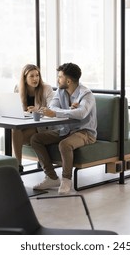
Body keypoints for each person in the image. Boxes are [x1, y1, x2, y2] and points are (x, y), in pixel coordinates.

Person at [30, 62, 97, 194]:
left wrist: (58, 113)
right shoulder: (60, 91)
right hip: (66, 130)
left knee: (64, 144)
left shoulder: (86, 94)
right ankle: (51, 177)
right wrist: (67, 110)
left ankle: (66, 179)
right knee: (36, 139)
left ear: (68, 80)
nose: (57, 79)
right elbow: (52, 107)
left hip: (85, 132)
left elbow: (81, 113)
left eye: (59, 77)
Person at [12, 64, 54, 173]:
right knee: (15, 130)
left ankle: (16, 166)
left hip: (43, 126)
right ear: (25, 78)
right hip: (25, 124)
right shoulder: (18, 88)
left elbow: (53, 110)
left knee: (16, 135)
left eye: (37, 75)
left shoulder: (46, 88)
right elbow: (15, 109)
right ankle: (17, 165)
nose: (35, 78)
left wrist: (37, 110)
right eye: (32, 76)